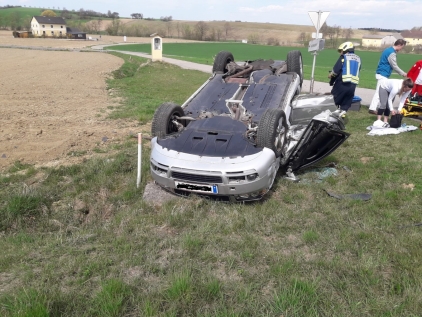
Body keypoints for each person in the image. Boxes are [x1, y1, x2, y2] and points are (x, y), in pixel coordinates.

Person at [368, 39, 407, 114]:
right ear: (399, 45)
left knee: (380, 92)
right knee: (379, 92)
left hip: (381, 72)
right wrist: (403, 73)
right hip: (383, 74)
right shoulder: (392, 53)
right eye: (402, 47)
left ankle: (378, 107)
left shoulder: (387, 50)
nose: (401, 49)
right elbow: (394, 66)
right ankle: (372, 108)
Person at [328, 41, 361, 117]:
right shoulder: (358, 59)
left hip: (342, 83)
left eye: (341, 51)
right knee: (345, 104)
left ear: (346, 50)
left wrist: (331, 77)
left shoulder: (343, 57)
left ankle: (331, 117)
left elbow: (336, 71)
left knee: (333, 101)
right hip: (353, 85)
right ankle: (341, 116)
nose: (340, 53)